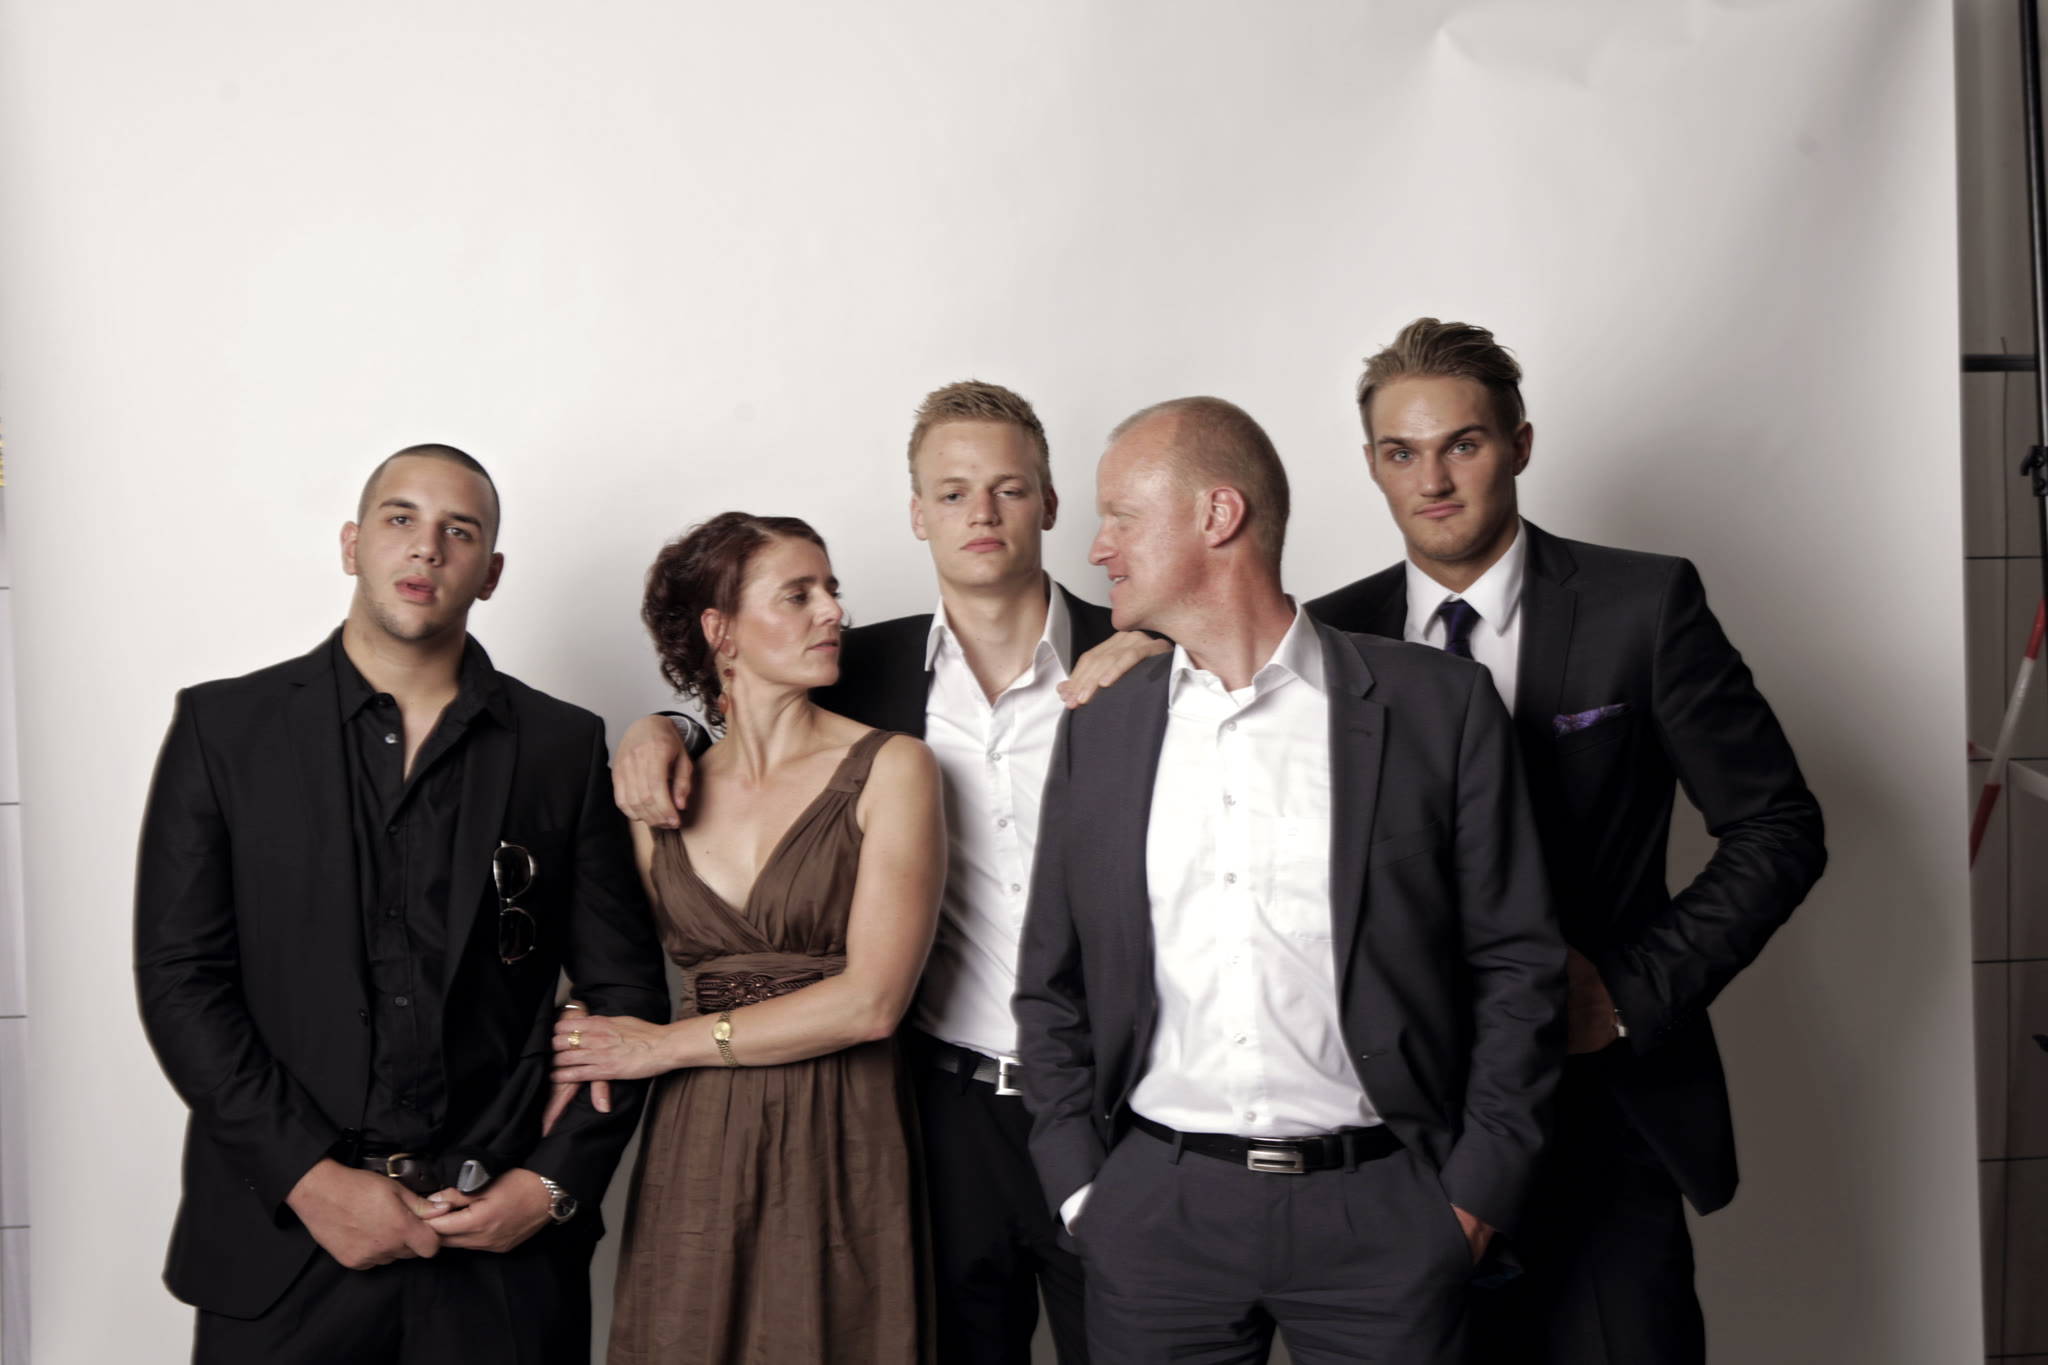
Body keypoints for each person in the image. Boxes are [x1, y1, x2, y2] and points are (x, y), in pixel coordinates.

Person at [1306, 319, 1828, 1364]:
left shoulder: (1643, 606)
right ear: (1370, 465)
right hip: (1401, 1132)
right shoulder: (1326, 639)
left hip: (1597, 1112)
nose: (1432, 480)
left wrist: (1629, 992)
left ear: (1519, 444)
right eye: (1401, 452)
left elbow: (1777, 827)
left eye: (1462, 444)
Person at [608, 381, 1156, 1364]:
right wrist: (660, 729)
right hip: (936, 1112)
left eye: (1008, 488)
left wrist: (1167, 647)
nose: (981, 513)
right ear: (916, 514)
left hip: (1114, 1103)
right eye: (951, 493)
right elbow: (748, 716)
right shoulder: (859, 667)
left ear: (1049, 502)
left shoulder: (1140, 664)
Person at [1014, 397, 1565, 1365]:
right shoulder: (1101, 725)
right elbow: (1050, 981)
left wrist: (1474, 1195)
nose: (1096, 547)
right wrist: (1082, 1190)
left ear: (1218, 515)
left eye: (1121, 517)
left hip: (1385, 1214)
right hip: (1155, 1214)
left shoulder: (1436, 706)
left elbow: (1517, 963)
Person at [134, 444, 671, 1364]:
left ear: (490, 572)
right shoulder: (224, 729)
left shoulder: (560, 745)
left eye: (460, 531)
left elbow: (628, 996)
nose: (427, 547)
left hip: (496, 1252)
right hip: (284, 1242)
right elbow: (182, 980)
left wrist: (549, 1187)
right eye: (400, 519)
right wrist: (308, 1179)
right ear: (352, 544)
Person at [550, 512, 946, 1365]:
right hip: (700, 1132)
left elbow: (872, 1002)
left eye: (831, 589)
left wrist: (663, 1047)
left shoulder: (894, 767)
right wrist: (584, 1024)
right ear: (720, 630)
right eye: (798, 594)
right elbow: (609, 968)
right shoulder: (652, 799)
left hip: (843, 1119)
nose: (833, 611)